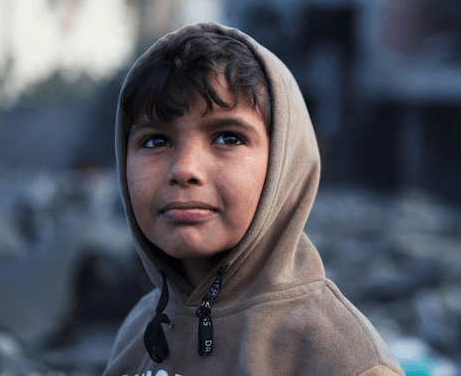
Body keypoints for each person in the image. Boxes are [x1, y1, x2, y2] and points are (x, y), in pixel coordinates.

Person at [104, 22, 405, 376]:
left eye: (227, 138)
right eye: (156, 141)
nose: (184, 169)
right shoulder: (141, 328)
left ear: (284, 164)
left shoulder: (341, 358)